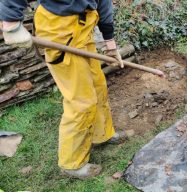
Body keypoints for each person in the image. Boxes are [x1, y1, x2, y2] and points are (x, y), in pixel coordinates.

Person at [0, 0, 125, 179]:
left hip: (83, 27)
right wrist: (11, 22)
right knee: (81, 101)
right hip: (59, 30)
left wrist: (110, 42)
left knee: (98, 86)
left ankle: (101, 134)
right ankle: (71, 164)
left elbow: (103, 2)